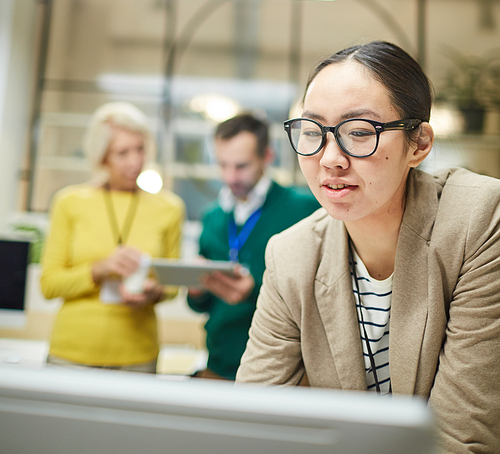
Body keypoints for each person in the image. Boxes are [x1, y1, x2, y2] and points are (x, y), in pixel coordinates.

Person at [236, 41, 500, 453]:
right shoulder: (291, 255)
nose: (330, 159)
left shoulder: (478, 219)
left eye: (359, 132)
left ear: (419, 144)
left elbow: (459, 438)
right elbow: (249, 422)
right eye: (313, 132)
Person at [40, 101, 185, 372]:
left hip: (138, 356)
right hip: (71, 353)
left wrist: (154, 292)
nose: (135, 161)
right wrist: (99, 269)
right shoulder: (69, 202)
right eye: (122, 153)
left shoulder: (170, 208)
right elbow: (49, 285)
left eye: (140, 149)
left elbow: (172, 286)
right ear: (102, 157)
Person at [187, 112, 319, 380]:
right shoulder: (213, 217)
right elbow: (201, 307)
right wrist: (196, 290)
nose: (230, 176)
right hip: (220, 364)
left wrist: (254, 291)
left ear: (267, 156)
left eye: (241, 166)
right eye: (222, 165)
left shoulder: (304, 210)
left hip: (281, 371)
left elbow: (318, 300)